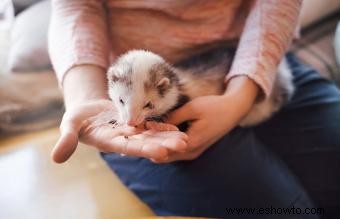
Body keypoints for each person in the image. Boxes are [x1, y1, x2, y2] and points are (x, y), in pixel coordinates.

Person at [48, 0, 340, 218]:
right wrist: (85, 96)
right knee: (284, 209)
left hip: (254, 57)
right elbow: (76, 8)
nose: (131, 119)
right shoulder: (127, 99)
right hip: (142, 85)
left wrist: (239, 97)